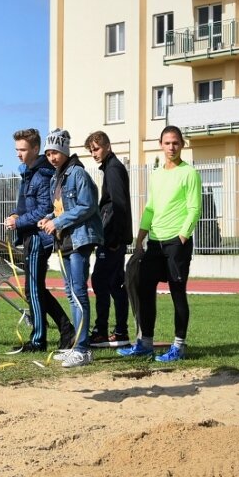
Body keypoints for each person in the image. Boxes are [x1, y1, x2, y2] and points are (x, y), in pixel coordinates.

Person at [117, 125, 201, 362]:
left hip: (176, 244)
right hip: (154, 243)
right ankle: (145, 343)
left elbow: (194, 208)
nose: (171, 147)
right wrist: (141, 237)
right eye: (167, 143)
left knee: (177, 292)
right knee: (144, 290)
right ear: (161, 145)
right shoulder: (156, 174)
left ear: (182, 144)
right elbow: (151, 207)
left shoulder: (189, 173)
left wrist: (182, 236)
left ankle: (178, 346)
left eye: (175, 143)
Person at [4, 128, 75, 354]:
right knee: (35, 289)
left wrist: (19, 221)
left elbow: (45, 210)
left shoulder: (42, 175)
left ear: (35, 149)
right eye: (17, 149)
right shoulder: (28, 172)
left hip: (38, 238)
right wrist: (16, 215)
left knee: (33, 290)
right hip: (29, 236)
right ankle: (66, 329)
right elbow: (26, 206)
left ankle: (38, 340)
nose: (18, 154)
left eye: (23, 149)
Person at [38, 129, 103, 368]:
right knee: (71, 294)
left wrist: (58, 222)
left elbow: (87, 206)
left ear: (64, 150)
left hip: (79, 240)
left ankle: (83, 349)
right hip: (64, 242)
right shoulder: (57, 177)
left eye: (55, 152)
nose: (52, 157)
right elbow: (59, 208)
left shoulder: (78, 174)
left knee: (79, 293)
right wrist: (48, 218)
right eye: (49, 153)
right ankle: (76, 345)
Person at [84, 131, 133, 348]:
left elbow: (119, 205)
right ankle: (120, 330)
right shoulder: (111, 167)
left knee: (101, 281)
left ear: (107, 146)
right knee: (114, 284)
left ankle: (102, 330)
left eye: (96, 148)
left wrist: (113, 238)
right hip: (115, 236)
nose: (94, 154)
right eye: (91, 150)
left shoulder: (113, 169)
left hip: (112, 238)